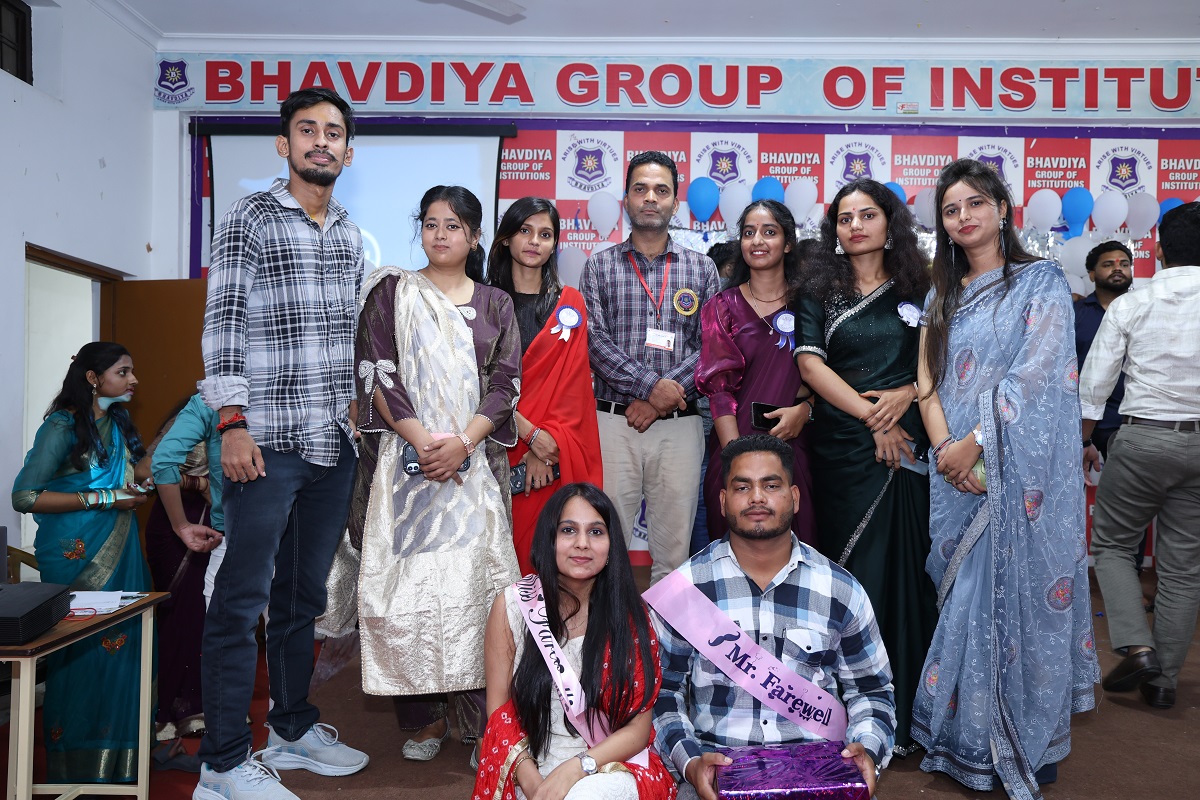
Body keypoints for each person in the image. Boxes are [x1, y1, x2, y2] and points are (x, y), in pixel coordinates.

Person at [195, 87, 368, 800]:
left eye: (333, 132)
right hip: (264, 442)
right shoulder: (249, 217)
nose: (321, 141)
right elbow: (224, 320)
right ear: (284, 143)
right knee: (241, 603)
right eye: (307, 130)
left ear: (348, 151)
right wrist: (231, 422)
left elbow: (350, 338)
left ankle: (290, 729)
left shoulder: (350, 233)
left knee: (302, 598)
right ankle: (222, 763)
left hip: (332, 443)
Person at [914, 158, 1098, 800]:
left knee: (1011, 601)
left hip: (1018, 477)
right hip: (953, 472)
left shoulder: (1040, 281)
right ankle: (965, 741)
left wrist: (977, 446)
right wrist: (946, 450)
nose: (963, 217)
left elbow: (1039, 374)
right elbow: (927, 380)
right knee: (964, 601)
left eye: (974, 203)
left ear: (1001, 208)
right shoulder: (941, 295)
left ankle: (1020, 740)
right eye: (951, 209)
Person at [346, 184, 521, 764]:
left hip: (475, 466)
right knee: (411, 588)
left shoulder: (495, 303)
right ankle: (423, 719)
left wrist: (463, 444)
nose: (440, 234)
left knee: (476, 587)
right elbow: (377, 370)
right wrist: (424, 443)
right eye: (430, 223)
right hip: (406, 465)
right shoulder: (392, 292)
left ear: (475, 236)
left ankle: (481, 722)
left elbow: (506, 383)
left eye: (454, 226)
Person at [649, 434, 895, 800]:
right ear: (722, 501)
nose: (757, 498)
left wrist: (867, 752)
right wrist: (691, 763)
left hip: (822, 779)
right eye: (742, 487)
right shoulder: (686, 590)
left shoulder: (840, 590)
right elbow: (661, 695)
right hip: (715, 779)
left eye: (771, 485)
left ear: (794, 497)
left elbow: (872, 692)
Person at [793, 178, 936, 756]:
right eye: (845, 218)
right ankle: (840, 716)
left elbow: (941, 359)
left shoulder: (922, 286)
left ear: (889, 223)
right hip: (845, 447)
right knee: (855, 577)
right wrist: (874, 418)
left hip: (910, 441)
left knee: (909, 575)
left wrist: (906, 394)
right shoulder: (817, 290)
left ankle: (909, 719)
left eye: (867, 215)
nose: (855, 226)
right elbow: (810, 366)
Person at [472, 483, 676, 800]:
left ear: (611, 547)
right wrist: (534, 784)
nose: (582, 543)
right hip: (528, 769)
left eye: (596, 532)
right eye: (568, 530)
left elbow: (638, 731)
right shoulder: (512, 606)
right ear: (549, 539)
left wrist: (575, 769)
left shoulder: (629, 616)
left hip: (607, 766)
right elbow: (499, 717)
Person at [10, 341, 152, 783]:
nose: (133, 380)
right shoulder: (61, 426)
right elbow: (24, 496)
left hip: (122, 548)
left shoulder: (118, 422)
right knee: (79, 656)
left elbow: (135, 472)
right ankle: (75, 770)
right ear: (93, 378)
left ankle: (123, 767)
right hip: (75, 556)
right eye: (123, 372)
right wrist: (106, 497)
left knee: (127, 649)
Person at [579, 151, 720, 584]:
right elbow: (594, 342)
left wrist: (659, 400)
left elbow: (712, 346)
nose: (651, 198)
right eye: (640, 189)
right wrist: (649, 388)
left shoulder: (702, 267)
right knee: (606, 548)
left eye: (661, 190)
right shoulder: (599, 265)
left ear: (676, 202)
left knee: (674, 556)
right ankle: (610, 628)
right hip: (613, 424)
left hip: (679, 425)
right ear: (626, 200)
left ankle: (664, 630)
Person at [1083, 202, 1200, 711]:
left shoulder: (1133, 303)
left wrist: (1082, 440)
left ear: (1158, 250)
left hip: (1142, 439)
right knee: (1184, 568)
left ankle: (1139, 648)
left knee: (1111, 545)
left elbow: (1095, 384)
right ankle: (1163, 681)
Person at [487, 197, 603, 575]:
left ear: (555, 244)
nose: (534, 241)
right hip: (493, 447)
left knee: (544, 563)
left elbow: (573, 391)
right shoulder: (482, 302)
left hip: (552, 458)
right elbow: (478, 383)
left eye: (545, 234)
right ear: (506, 238)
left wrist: (545, 445)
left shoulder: (570, 304)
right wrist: (530, 434)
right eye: (525, 230)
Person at [696, 199, 815, 545]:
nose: (757, 241)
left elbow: (827, 376)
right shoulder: (722, 306)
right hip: (732, 444)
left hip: (793, 445)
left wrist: (806, 411)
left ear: (788, 243)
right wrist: (738, 459)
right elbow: (718, 391)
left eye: (769, 232)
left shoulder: (810, 306)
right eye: (749, 233)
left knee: (796, 547)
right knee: (734, 551)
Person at [143, 394, 224, 763]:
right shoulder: (191, 417)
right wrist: (200, 484)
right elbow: (145, 471)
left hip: (213, 522)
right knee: (181, 616)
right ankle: (171, 713)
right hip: (178, 524)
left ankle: (204, 707)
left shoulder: (241, 420)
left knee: (206, 616)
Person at [1074, 241, 1133, 458]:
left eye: (1124, 264)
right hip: (1078, 420)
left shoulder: (1144, 311)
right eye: (1108, 265)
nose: (1118, 268)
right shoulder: (1074, 312)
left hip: (1126, 421)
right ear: (1091, 275)